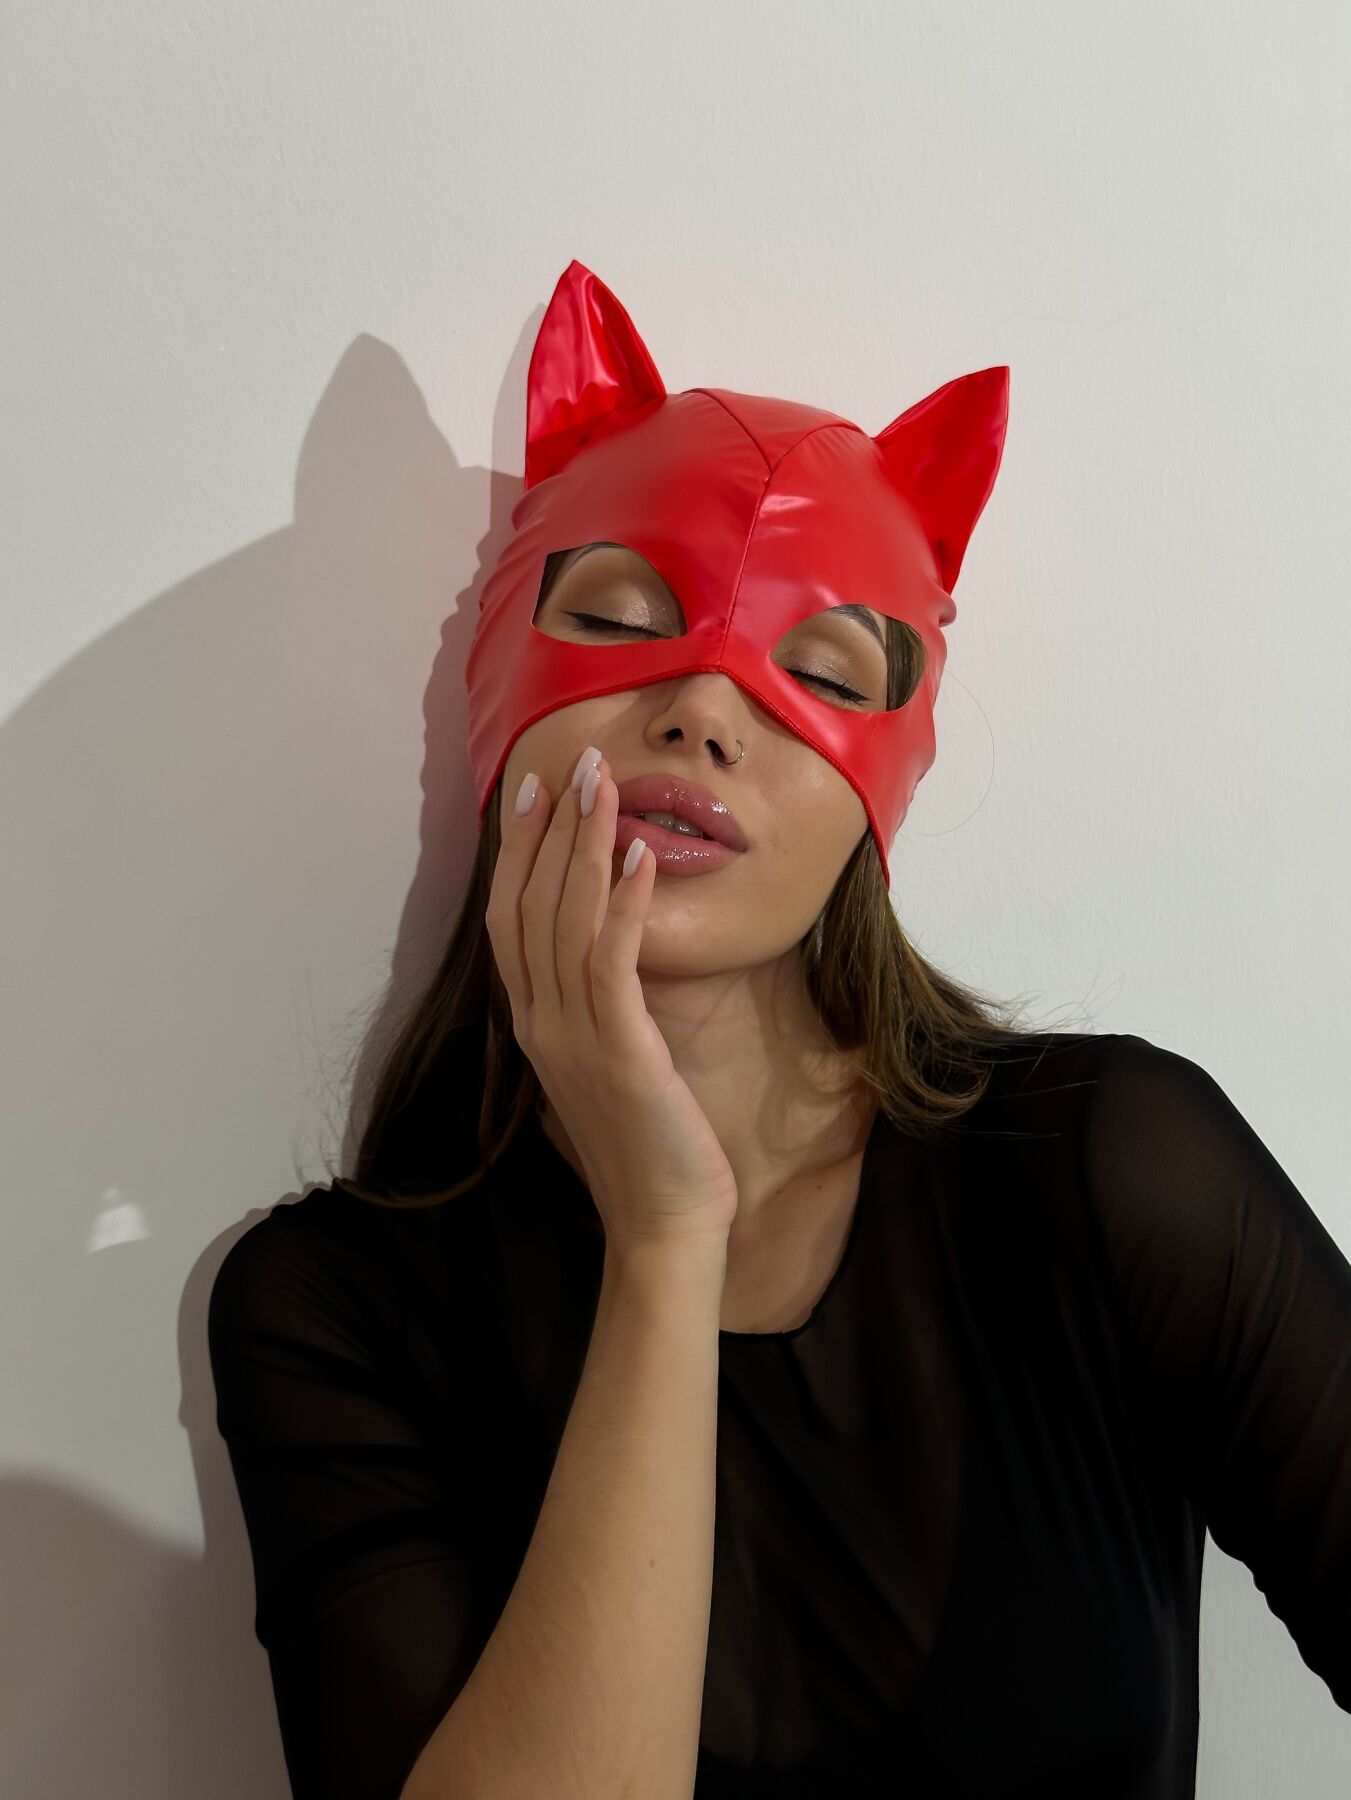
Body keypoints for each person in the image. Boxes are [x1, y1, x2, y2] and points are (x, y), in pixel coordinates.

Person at [207, 262, 1351, 1800]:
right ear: (502, 705)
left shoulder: (1109, 1173)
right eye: (615, 618)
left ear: (882, 792)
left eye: (818, 672)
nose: (703, 711)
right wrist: (665, 1239)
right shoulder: (334, 1309)